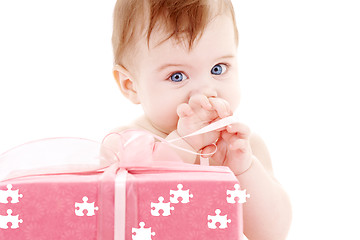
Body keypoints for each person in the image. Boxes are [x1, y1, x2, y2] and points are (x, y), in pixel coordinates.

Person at [105, 0, 292, 239]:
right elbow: (139, 208)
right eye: (177, 76)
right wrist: (183, 144)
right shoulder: (123, 144)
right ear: (130, 85)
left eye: (218, 69)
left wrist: (244, 169)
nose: (206, 91)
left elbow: (272, 233)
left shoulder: (245, 147)